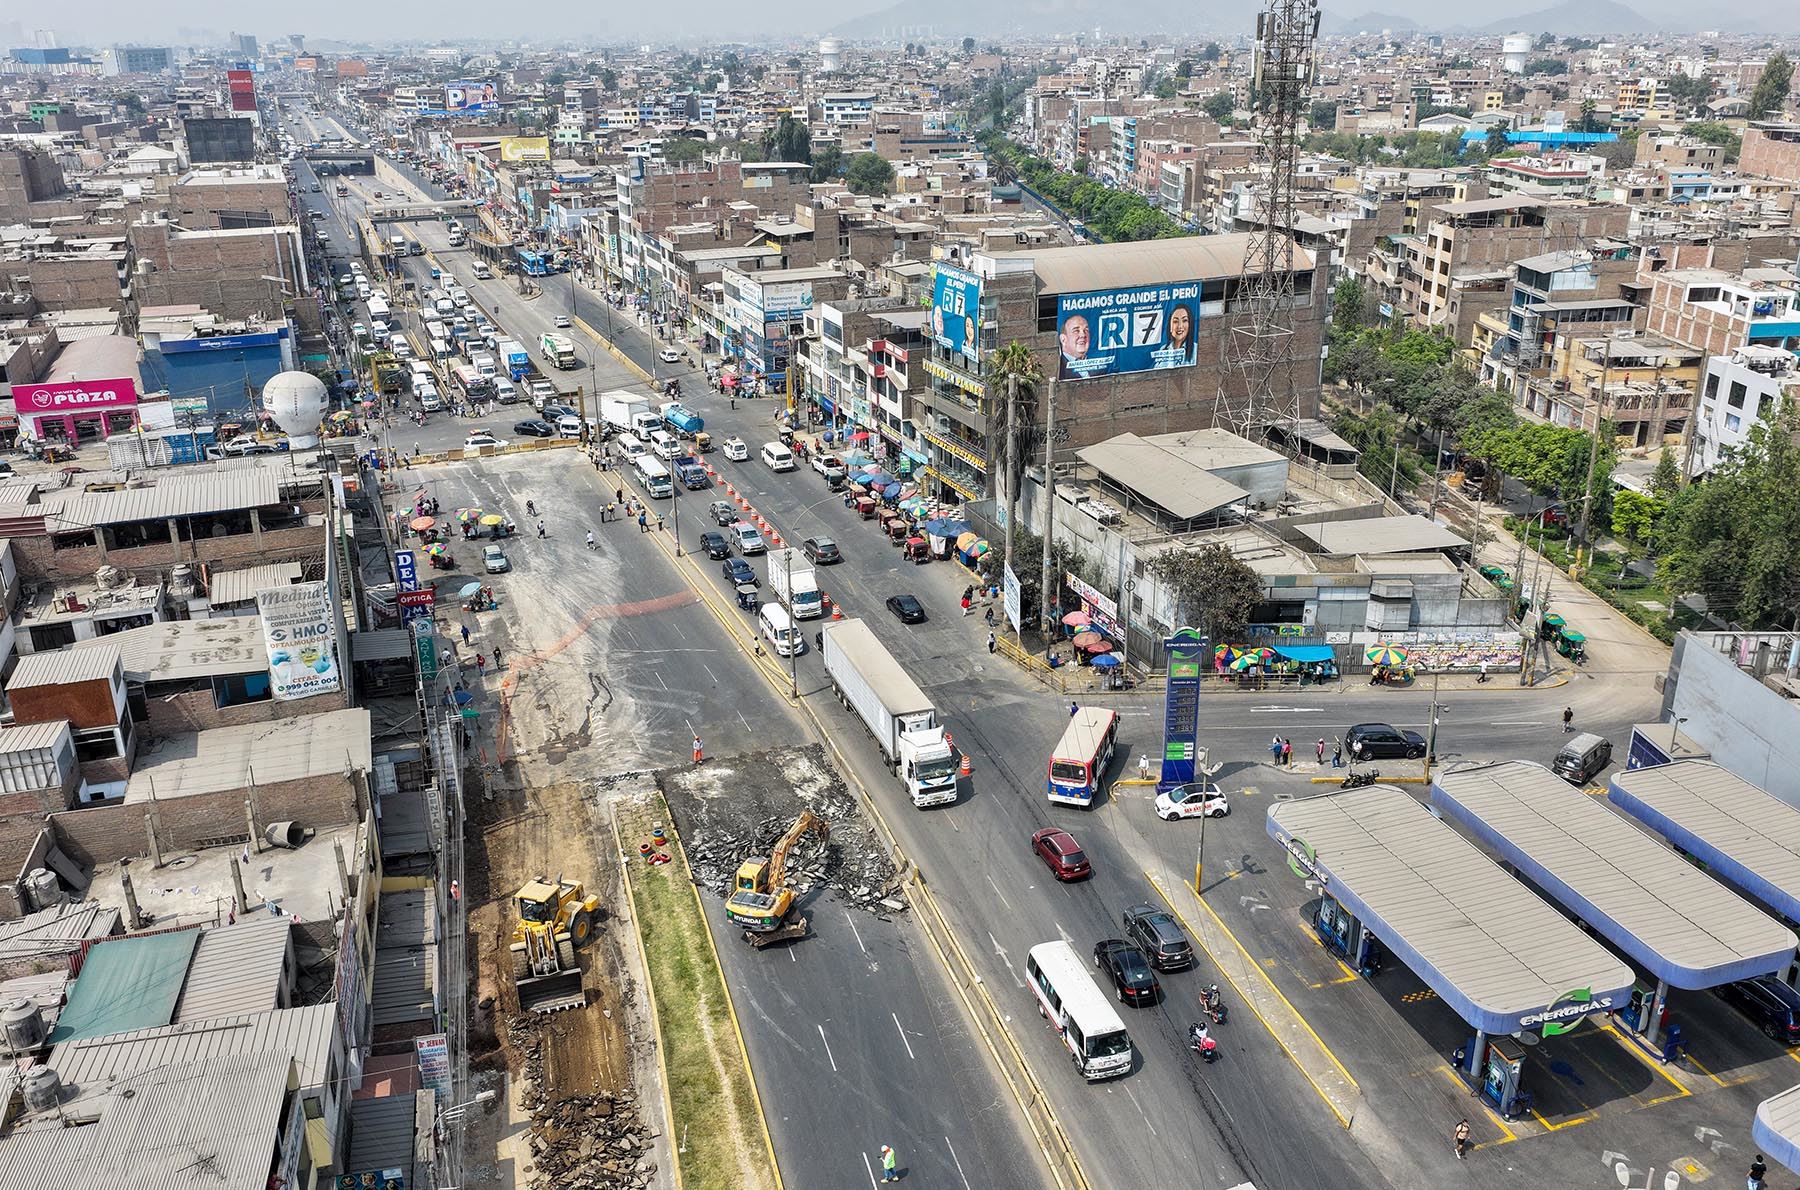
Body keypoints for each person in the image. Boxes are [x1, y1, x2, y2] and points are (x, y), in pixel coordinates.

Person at [1057, 313, 1101, 380]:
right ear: (1063, 339)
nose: (1083, 335)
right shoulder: (1058, 367)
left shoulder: (1100, 367)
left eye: (1086, 330)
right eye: (1076, 331)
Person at [1159, 303, 1197, 367]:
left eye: (1184, 320)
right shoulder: (1163, 349)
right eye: (1175, 321)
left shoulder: (1195, 350)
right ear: (1170, 326)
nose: (1180, 326)